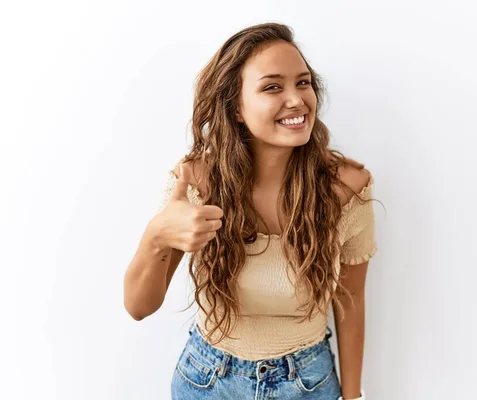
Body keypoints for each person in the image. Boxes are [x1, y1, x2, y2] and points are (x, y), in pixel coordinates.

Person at [123, 22, 377, 400]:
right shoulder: (197, 182)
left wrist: (354, 396)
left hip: (309, 383)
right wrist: (157, 235)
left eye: (303, 83)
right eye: (273, 86)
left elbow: (351, 299)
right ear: (236, 108)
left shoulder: (347, 188)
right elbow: (138, 307)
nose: (296, 99)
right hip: (207, 382)